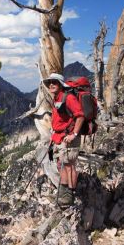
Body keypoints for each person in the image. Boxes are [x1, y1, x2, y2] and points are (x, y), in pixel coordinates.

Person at [43, 73, 85, 207]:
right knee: (62, 164)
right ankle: (64, 192)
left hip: (68, 138)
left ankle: (70, 194)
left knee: (69, 166)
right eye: (49, 82)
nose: (51, 84)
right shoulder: (58, 98)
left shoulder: (69, 98)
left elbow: (80, 116)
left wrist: (74, 134)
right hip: (60, 137)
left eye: (54, 82)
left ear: (60, 84)